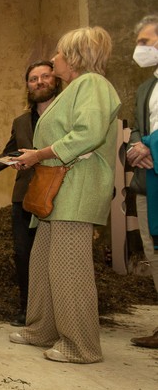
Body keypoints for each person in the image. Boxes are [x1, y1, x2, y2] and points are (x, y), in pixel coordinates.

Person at [8, 27, 121, 363]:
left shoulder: (93, 84)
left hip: (76, 190)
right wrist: (37, 155)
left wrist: (39, 154)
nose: (54, 58)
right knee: (43, 264)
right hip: (56, 193)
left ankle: (81, 346)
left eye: (58, 53)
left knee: (70, 270)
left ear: (74, 58)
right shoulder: (73, 89)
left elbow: (88, 134)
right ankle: (42, 328)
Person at [0, 61, 61, 327]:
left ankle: (58, 313)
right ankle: (28, 310)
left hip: (58, 194)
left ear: (55, 81)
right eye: (33, 79)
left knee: (54, 257)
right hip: (24, 198)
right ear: (27, 86)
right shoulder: (21, 121)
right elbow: (8, 155)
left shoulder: (65, 114)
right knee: (24, 255)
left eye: (45, 76)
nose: (39, 82)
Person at [127, 14, 158, 349]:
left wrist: (148, 145)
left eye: (145, 42)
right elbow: (138, 125)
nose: (139, 50)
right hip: (148, 178)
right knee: (154, 253)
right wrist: (138, 145)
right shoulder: (146, 87)